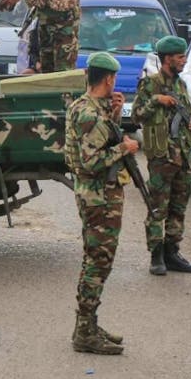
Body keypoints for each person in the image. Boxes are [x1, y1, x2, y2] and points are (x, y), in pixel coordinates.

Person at [65, 52, 138, 355]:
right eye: (114, 79)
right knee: (97, 263)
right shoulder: (90, 114)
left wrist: (116, 116)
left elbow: (98, 140)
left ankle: (88, 324)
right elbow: (92, 160)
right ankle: (85, 332)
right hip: (98, 198)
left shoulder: (89, 107)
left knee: (96, 261)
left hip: (97, 196)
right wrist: (125, 147)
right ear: (108, 79)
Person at [131, 36, 191, 277]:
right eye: (180, 57)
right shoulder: (150, 83)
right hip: (162, 157)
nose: (184, 61)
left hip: (183, 155)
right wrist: (156, 100)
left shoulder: (180, 84)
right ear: (167, 59)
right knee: (157, 208)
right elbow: (137, 115)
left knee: (178, 207)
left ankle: (173, 252)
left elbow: (186, 111)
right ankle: (156, 255)